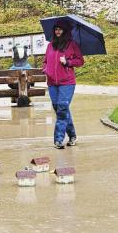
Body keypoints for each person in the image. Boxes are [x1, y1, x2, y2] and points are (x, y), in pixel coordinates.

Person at [42, 20, 84, 149]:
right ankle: (72, 135)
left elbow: (80, 61)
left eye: (60, 29)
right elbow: (45, 61)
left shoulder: (72, 45)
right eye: (56, 29)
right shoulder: (50, 45)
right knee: (60, 109)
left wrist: (67, 62)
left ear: (65, 31)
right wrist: (46, 70)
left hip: (67, 82)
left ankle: (58, 140)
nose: (58, 31)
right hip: (52, 82)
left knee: (62, 108)